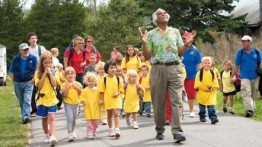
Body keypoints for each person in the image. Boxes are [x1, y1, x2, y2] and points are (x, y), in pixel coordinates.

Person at [139, 8, 195, 143]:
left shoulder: (175, 31)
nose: (163, 14)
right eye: (159, 14)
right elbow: (146, 56)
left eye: (164, 13)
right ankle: (159, 129)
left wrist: (187, 45)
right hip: (158, 68)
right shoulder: (151, 34)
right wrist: (144, 43)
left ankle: (177, 131)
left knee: (177, 100)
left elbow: (180, 53)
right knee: (159, 101)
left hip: (175, 68)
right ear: (155, 20)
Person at [231, 35, 262, 117]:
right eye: (242, 41)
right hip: (244, 76)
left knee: (253, 94)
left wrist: (260, 71)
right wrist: (232, 76)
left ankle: (252, 110)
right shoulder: (240, 53)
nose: (243, 43)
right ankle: (249, 110)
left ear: (250, 42)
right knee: (245, 93)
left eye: (244, 41)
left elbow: (260, 62)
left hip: (255, 76)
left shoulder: (256, 52)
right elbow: (236, 65)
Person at [9, 43, 37, 124]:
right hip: (18, 83)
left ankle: (26, 117)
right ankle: (24, 115)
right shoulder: (16, 59)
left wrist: (33, 79)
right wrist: (13, 81)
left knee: (27, 100)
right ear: (20, 51)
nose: (26, 51)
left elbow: (36, 70)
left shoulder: (33, 58)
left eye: (27, 49)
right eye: (24, 50)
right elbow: (11, 71)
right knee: (21, 101)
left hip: (28, 82)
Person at [34, 51, 58, 146]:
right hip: (42, 99)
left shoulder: (54, 72)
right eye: (45, 63)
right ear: (42, 63)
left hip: (52, 98)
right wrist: (44, 74)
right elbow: (39, 86)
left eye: (49, 62)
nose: (48, 64)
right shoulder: (38, 73)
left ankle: (52, 136)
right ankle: (46, 134)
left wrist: (50, 74)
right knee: (44, 118)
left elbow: (54, 84)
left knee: (51, 118)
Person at [99, 60, 124, 139]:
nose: (113, 69)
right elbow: (102, 91)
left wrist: (118, 93)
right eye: (111, 68)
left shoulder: (118, 79)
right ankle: (110, 129)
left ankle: (117, 129)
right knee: (109, 115)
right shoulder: (104, 80)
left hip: (116, 99)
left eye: (114, 67)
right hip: (108, 99)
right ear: (107, 70)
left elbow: (121, 89)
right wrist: (101, 100)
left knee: (116, 113)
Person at [182, 31, 202, 118]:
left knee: (191, 94)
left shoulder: (195, 50)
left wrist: (203, 73)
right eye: (183, 38)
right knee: (179, 94)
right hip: (180, 75)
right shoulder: (180, 48)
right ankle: (180, 111)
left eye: (185, 38)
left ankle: (191, 111)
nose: (184, 40)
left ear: (191, 39)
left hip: (192, 75)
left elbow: (199, 63)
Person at [194, 56, 219, 124]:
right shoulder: (199, 73)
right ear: (202, 64)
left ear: (211, 64)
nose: (207, 64)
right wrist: (205, 88)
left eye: (208, 63)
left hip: (211, 93)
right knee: (202, 108)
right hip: (202, 93)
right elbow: (197, 83)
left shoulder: (212, 72)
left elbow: (215, 81)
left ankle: (213, 118)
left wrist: (212, 88)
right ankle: (202, 116)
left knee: (211, 106)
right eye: (205, 63)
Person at [61, 67, 82, 142]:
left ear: (75, 75)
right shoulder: (63, 84)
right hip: (68, 104)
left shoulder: (78, 83)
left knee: (74, 119)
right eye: (68, 74)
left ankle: (73, 131)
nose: (70, 75)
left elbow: (81, 93)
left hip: (76, 104)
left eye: (72, 73)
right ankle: (69, 133)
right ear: (65, 76)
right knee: (70, 118)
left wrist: (76, 87)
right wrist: (67, 88)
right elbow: (63, 95)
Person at [28, 32, 46, 117]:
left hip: (41, 72)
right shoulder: (27, 49)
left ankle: (45, 107)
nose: (33, 40)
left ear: (37, 39)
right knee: (32, 92)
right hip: (31, 73)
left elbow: (47, 57)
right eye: (31, 38)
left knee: (44, 90)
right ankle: (34, 110)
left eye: (35, 38)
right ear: (29, 40)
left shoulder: (41, 48)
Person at [80, 72, 101, 139]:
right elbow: (81, 97)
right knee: (89, 123)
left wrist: (101, 100)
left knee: (96, 123)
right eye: (89, 81)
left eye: (92, 81)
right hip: (88, 109)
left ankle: (93, 130)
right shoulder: (84, 90)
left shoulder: (98, 90)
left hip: (96, 109)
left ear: (95, 81)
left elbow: (101, 97)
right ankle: (89, 132)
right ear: (86, 81)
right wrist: (83, 100)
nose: (91, 82)